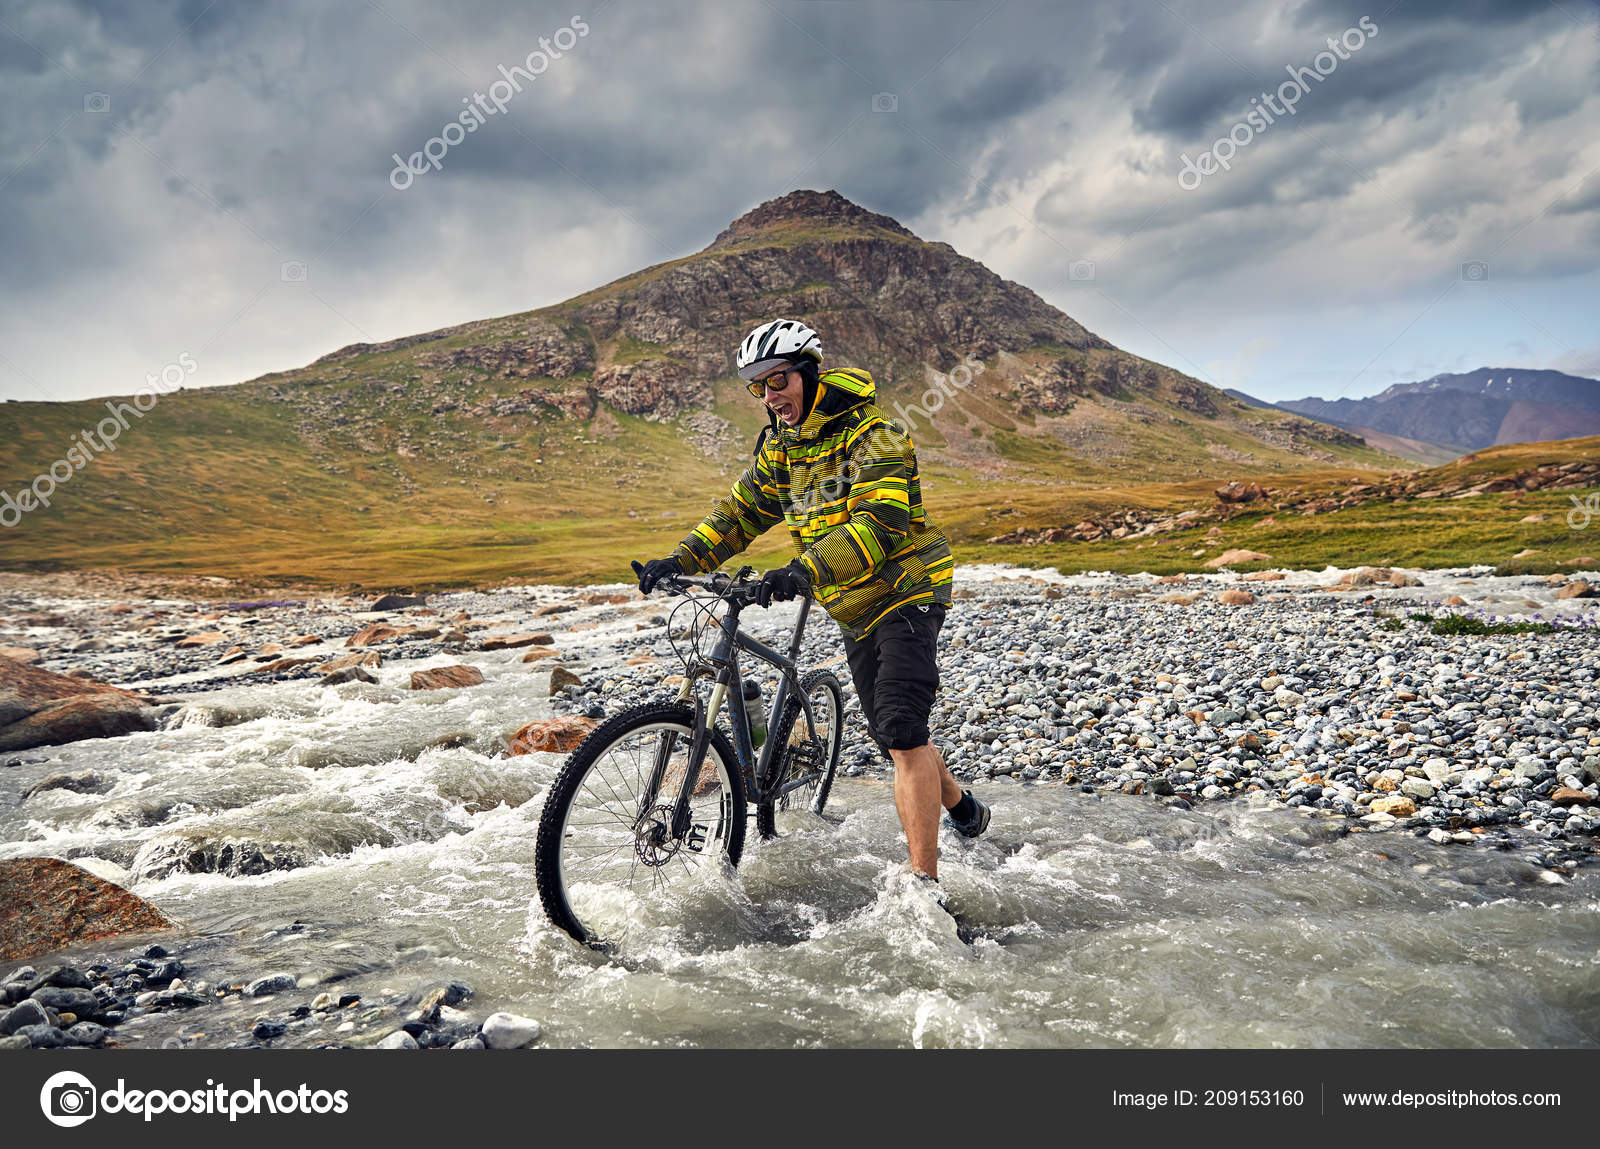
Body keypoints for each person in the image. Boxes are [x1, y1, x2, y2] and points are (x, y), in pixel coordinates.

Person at [633, 319, 988, 883]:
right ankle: (963, 808)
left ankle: (925, 884)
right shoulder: (780, 447)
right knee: (898, 733)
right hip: (849, 601)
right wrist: (683, 560)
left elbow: (883, 521)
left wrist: (805, 569)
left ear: (808, 372)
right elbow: (741, 513)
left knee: (898, 726)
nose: (772, 398)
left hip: (907, 588)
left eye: (779, 382)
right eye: (761, 388)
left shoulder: (876, 435)